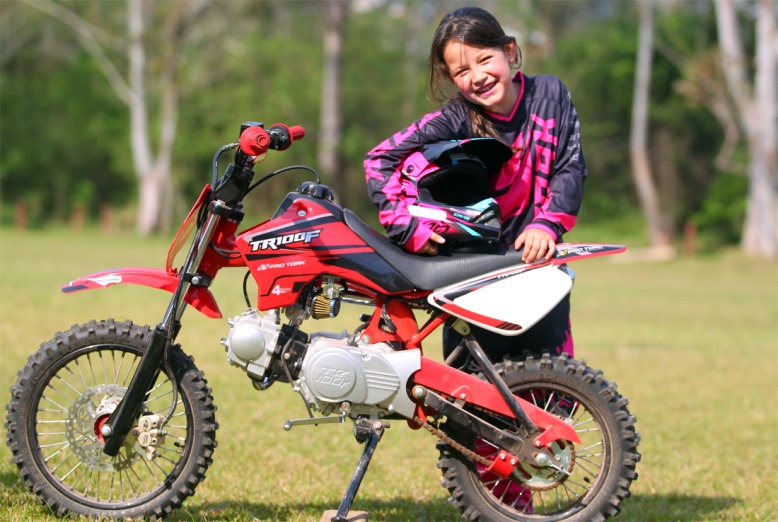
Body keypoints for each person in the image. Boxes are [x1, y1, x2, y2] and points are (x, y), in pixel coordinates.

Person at [363, 6, 586, 361]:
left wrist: (546, 224)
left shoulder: (551, 96)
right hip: (470, 272)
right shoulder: (453, 117)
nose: (478, 76)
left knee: (553, 383)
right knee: (470, 394)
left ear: (509, 52)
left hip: (537, 263)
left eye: (485, 59)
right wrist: (406, 228)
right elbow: (379, 160)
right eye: (463, 70)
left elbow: (569, 167)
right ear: (452, 79)